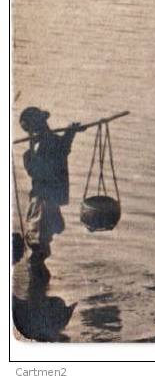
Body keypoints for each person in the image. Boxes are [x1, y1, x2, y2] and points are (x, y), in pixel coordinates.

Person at [18, 107, 83, 281]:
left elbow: (62, 149)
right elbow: (41, 169)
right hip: (43, 198)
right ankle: (36, 279)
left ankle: (36, 276)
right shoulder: (42, 145)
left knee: (43, 236)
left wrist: (71, 133)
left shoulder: (47, 142)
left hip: (46, 197)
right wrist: (70, 134)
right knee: (40, 238)